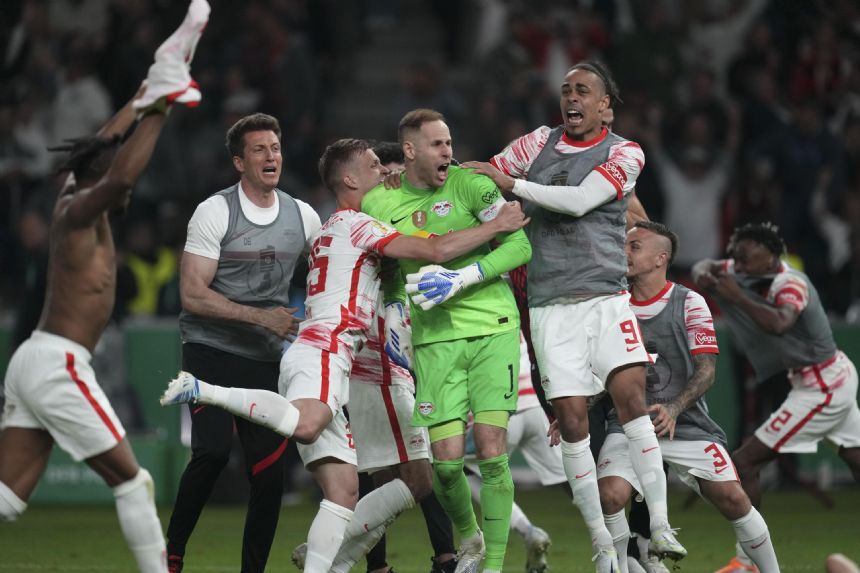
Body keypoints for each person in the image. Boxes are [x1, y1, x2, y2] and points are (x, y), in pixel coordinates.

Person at [161, 138, 528, 573]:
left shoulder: (333, 228)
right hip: (327, 350)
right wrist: (495, 225)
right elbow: (434, 251)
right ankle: (206, 390)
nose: (386, 172)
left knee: (343, 492)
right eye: (376, 165)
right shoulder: (358, 225)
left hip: (329, 354)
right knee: (308, 425)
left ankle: (327, 564)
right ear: (351, 179)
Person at [0, 2, 208, 571]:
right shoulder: (82, 208)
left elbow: (102, 147)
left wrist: (145, 96)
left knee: (7, 500)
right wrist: (163, 109)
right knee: (134, 481)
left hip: (35, 360)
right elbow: (119, 173)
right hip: (58, 364)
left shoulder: (71, 187)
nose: (129, 192)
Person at [458, 61, 683, 572]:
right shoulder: (536, 143)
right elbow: (482, 184)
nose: (572, 98)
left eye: (583, 90)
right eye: (565, 91)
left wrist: (511, 185)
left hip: (605, 299)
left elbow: (581, 201)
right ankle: (602, 543)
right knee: (574, 423)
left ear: (606, 105)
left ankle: (663, 526)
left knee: (632, 400)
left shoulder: (626, 152)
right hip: (548, 307)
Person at [365, 109, 533, 573]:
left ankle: (493, 565)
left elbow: (520, 245)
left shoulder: (471, 185)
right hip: (433, 339)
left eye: (450, 142)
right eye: (438, 145)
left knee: (492, 448)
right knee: (444, 465)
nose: (449, 152)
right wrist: (396, 309)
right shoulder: (378, 204)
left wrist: (463, 279)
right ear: (411, 151)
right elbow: (389, 269)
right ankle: (470, 538)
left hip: (493, 327)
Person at [163, 110, 322, 573]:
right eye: (259, 149)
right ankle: (173, 554)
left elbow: (330, 269)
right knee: (211, 452)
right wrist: (261, 318)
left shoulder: (303, 215)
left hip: (263, 360)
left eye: (275, 147)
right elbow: (192, 294)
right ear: (239, 162)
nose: (271, 155)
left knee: (269, 473)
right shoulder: (215, 211)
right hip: (209, 350)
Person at [597, 222, 780, 573]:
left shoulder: (689, 301)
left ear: (659, 259)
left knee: (734, 499)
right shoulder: (611, 305)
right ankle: (622, 566)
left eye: (634, 246)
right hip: (627, 424)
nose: (624, 252)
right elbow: (600, 372)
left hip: (687, 425)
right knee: (610, 496)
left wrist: (674, 407)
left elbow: (706, 369)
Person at [692, 222, 860, 573]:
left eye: (747, 258)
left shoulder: (790, 283)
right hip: (825, 376)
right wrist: (706, 273)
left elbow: (782, 323)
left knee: (745, 462)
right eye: (736, 256)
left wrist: (736, 297)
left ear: (771, 256)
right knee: (857, 459)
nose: (738, 266)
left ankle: (748, 562)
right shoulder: (743, 267)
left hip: (821, 386)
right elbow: (703, 266)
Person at [360, 139, 459, 573]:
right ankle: (379, 563)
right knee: (375, 464)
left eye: (396, 175)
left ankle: (445, 556)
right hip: (372, 340)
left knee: (423, 460)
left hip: (420, 340)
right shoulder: (363, 219)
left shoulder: (422, 212)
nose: (393, 183)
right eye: (385, 175)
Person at [462, 331, 561, 573]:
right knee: (573, 479)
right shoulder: (511, 308)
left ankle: (526, 532)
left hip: (504, 411)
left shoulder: (469, 317)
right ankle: (614, 535)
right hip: (536, 407)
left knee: (458, 468)